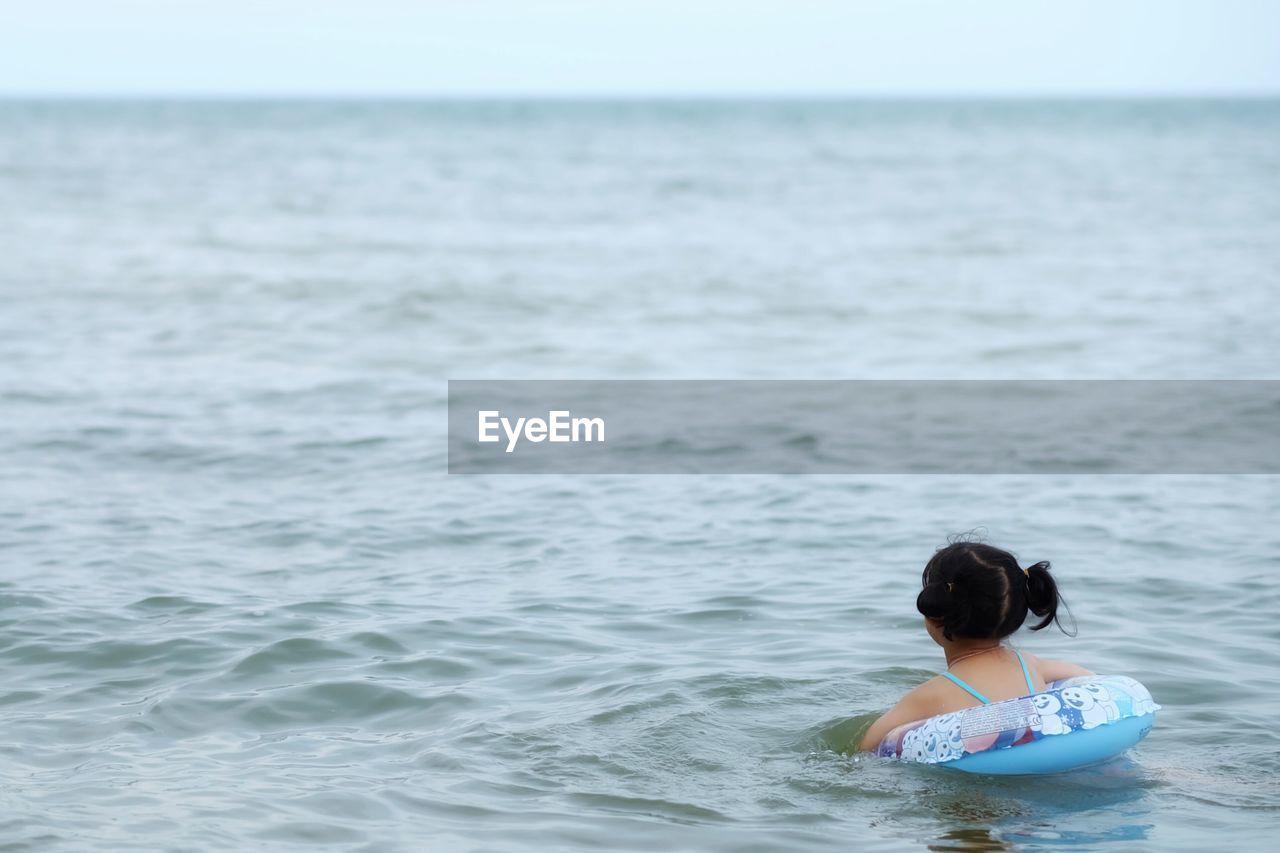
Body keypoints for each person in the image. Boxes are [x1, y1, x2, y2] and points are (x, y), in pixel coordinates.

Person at [859, 541, 1091, 752]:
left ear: (933, 614)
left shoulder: (930, 696)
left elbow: (868, 747)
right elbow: (1088, 678)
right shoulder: (1031, 665)